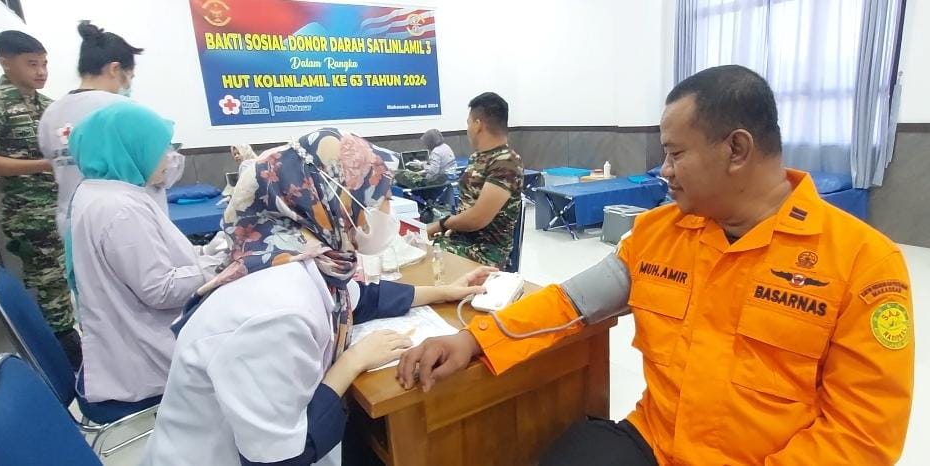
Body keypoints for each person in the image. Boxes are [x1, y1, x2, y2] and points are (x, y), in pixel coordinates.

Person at [397, 66, 914, 465]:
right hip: (657, 443)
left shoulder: (862, 263)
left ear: (737, 149)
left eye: (675, 154)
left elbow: (861, 437)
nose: (663, 170)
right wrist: (474, 340)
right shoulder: (657, 234)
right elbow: (570, 303)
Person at [142, 128, 493, 465]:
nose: (389, 210)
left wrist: (445, 291)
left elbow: (364, 298)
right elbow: (282, 458)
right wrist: (353, 361)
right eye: (381, 199)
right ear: (337, 202)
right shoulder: (279, 309)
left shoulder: (301, 254)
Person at [65, 101, 206, 405]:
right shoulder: (120, 209)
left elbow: (158, 258)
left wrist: (208, 256)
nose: (169, 160)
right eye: (161, 149)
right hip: (148, 356)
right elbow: (161, 290)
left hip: (127, 341)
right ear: (131, 149)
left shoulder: (101, 193)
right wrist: (216, 270)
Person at [0, 31, 81, 367]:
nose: (41, 71)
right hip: (31, 213)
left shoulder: (50, 107)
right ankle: (65, 359)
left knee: (71, 279)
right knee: (50, 286)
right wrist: (42, 165)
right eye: (32, 64)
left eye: (44, 64)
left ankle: (76, 342)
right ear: (5, 62)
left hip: (64, 205)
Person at [40, 21, 183, 231]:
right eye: (130, 77)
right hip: (128, 224)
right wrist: (175, 161)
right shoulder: (125, 112)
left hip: (75, 221)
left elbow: (54, 164)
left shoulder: (51, 113)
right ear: (115, 69)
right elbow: (162, 172)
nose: (128, 85)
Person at [426, 93, 523, 268]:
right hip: (460, 240)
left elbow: (477, 219)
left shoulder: (506, 163)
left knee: (424, 263)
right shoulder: (478, 157)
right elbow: (468, 206)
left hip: (485, 253)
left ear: (478, 124)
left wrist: (441, 225)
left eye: (469, 123)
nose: (468, 129)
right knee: (415, 250)